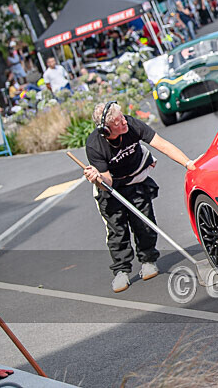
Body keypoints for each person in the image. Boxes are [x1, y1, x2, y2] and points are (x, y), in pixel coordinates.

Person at [82, 101, 197, 292]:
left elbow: (162, 144)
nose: (124, 122)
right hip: (111, 187)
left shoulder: (132, 125)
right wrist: (97, 178)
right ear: (106, 130)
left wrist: (188, 163)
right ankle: (121, 271)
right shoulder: (95, 145)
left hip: (136, 178)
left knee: (144, 222)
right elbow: (107, 182)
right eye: (118, 122)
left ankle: (148, 260)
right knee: (117, 230)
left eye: (123, 117)